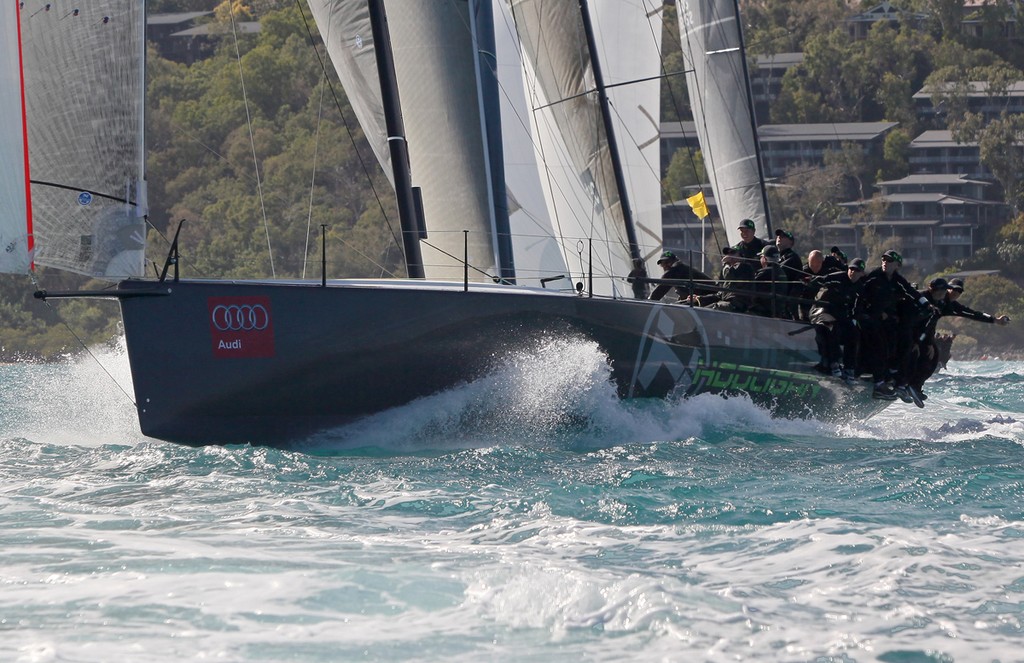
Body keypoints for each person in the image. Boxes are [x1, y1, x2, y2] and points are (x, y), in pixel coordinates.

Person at [858, 249, 931, 401]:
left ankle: (897, 380)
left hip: (888, 321)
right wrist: (875, 312)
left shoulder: (898, 280)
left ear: (897, 264)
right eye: (884, 259)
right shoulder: (873, 276)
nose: (885, 262)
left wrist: (926, 304)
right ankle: (879, 383)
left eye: (889, 260)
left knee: (904, 343)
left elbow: (912, 292)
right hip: (871, 318)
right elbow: (859, 294)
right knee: (880, 346)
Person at [806, 258, 867, 380]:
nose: (853, 272)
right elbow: (821, 280)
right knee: (831, 327)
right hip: (821, 309)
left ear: (862, 273)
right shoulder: (838, 277)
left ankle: (849, 367)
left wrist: (854, 319)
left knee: (854, 333)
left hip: (839, 314)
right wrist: (811, 281)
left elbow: (858, 307)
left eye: (857, 270)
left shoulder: (860, 288)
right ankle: (834, 363)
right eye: (851, 269)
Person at [685, 247, 754, 312]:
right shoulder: (729, 269)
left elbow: (730, 275)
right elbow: (720, 294)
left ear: (741, 255)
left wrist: (725, 264)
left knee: (709, 310)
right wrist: (699, 298)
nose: (729, 256)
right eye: (727, 254)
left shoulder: (745, 267)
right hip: (727, 303)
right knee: (693, 307)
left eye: (732, 253)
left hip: (739, 304)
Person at [945, 278, 1011, 325]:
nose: (956, 292)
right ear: (947, 288)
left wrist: (995, 320)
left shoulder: (954, 305)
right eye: (954, 289)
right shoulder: (936, 298)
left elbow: (974, 314)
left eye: (959, 291)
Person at [749, 244, 788, 316]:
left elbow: (750, 286)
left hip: (765, 312)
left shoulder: (765, 272)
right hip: (779, 310)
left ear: (765, 259)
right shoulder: (781, 271)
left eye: (761, 257)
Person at [776, 229, 803, 318]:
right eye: (778, 236)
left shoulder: (793, 258)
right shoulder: (777, 257)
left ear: (790, 242)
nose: (779, 237)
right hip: (779, 301)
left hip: (788, 305)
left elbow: (777, 272)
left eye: (783, 236)